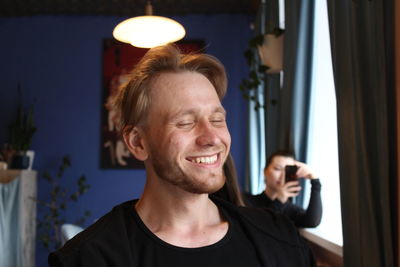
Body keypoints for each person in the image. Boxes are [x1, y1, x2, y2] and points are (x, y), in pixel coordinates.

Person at [48, 44, 316, 267]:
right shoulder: (89, 259)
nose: (212, 138)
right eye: (186, 122)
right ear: (138, 142)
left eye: (217, 119)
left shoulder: (279, 238)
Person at [243, 150, 322, 228]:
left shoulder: (291, 210)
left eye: (288, 170)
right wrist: (279, 200)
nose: (283, 175)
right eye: (277, 169)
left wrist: (315, 180)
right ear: (265, 171)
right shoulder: (246, 200)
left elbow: (312, 221)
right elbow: (260, 226)